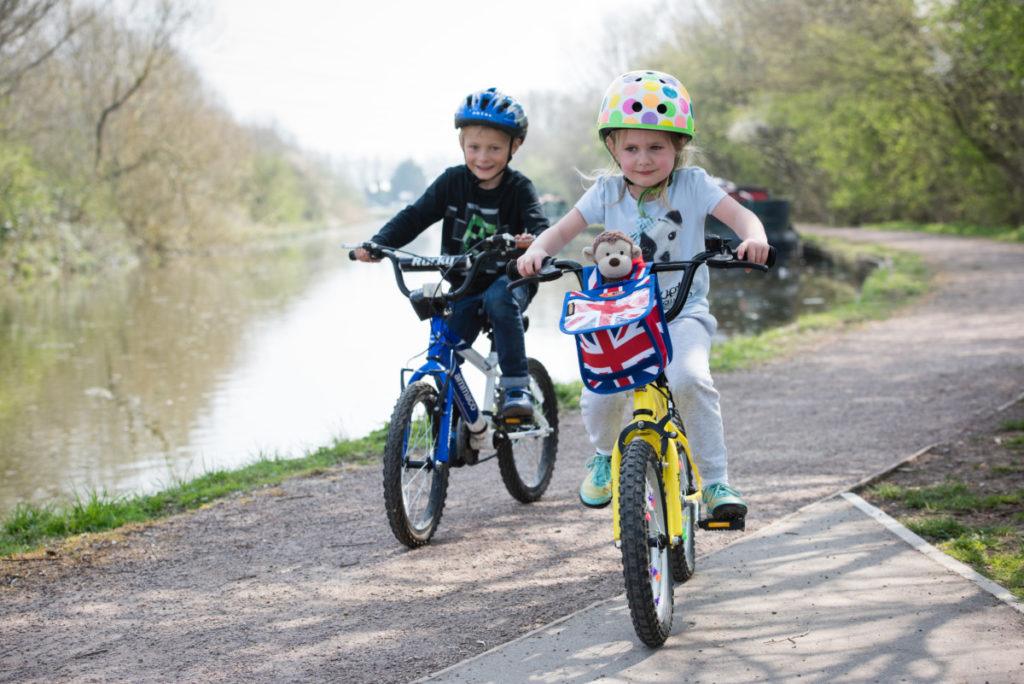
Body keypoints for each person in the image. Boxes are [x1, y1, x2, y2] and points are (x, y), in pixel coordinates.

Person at [516, 70, 770, 518]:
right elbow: (560, 232)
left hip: (681, 311)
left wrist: (754, 238)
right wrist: (538, 250)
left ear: (678, 147)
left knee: (690, 380)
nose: (644, 159)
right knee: (599, 390)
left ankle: (715, 483)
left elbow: (743, 218)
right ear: (613, 148)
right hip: (620, 317)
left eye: (657, 147)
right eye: (631, 148)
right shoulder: (605, 192)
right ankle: (602, 455)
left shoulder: (694, 186)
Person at [354, 87, 548, 419]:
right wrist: (379, 243)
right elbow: (415, 215)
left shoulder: (519, 189)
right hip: (464, 283)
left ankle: (517, 387)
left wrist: (536, 244)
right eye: (474, 147)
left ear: (514, 147)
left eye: (494, 148)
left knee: (500, 299)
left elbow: (542, 229)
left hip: (510, 279)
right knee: (445, 342)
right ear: (461, 144)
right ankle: (451, 417)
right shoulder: (451, 182)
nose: (483, 157)